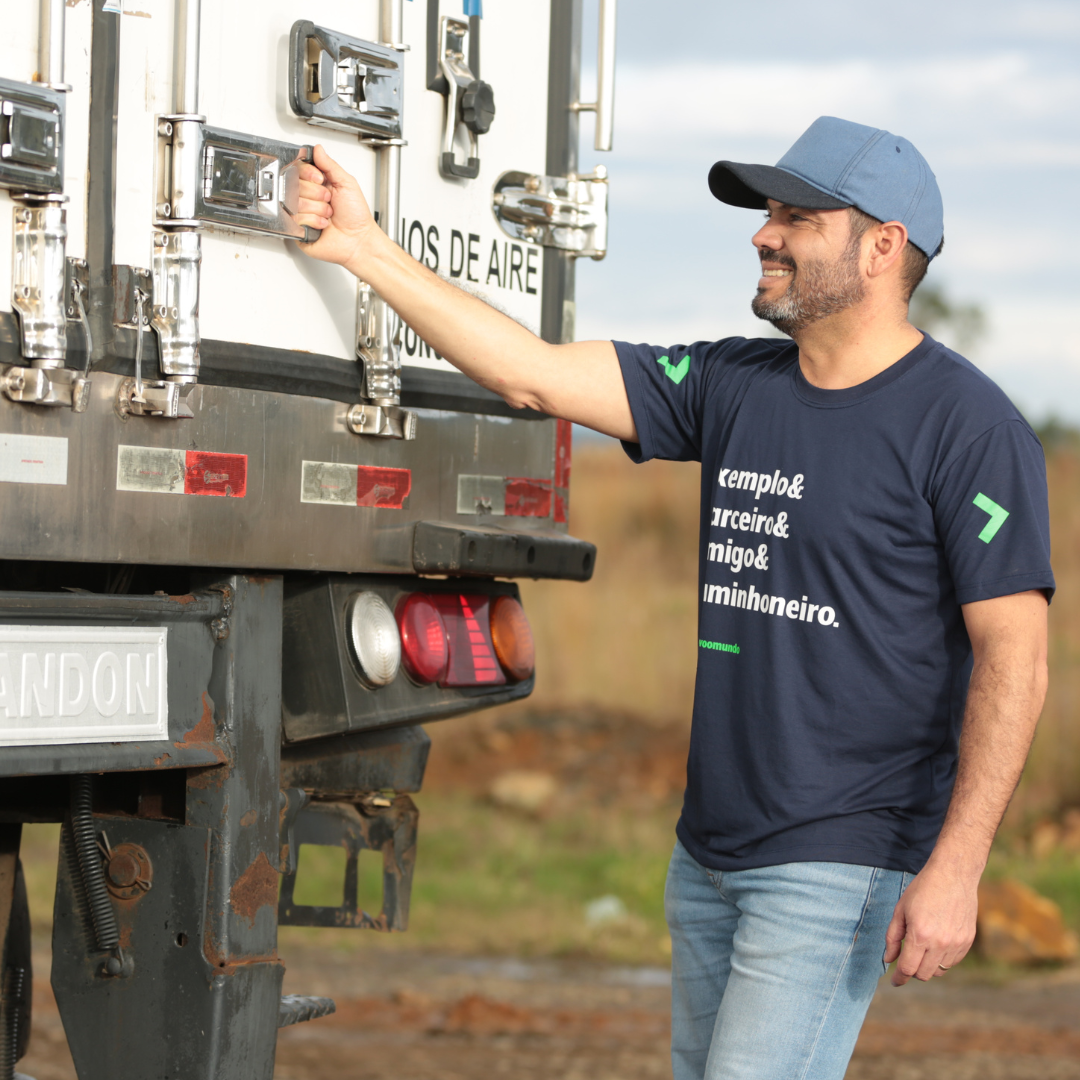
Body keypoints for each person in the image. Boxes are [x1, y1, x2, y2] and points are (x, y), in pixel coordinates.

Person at [293, 115, 1053, 1080]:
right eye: (767, 213)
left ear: (882, 248)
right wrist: (362, 249)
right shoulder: (732, 383)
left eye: (794, 217)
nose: (762, 234)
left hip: (840, 857)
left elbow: (1016, 658)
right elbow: (527, 374)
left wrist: (959, 867)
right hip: (708, 854)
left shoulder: (968, 428)